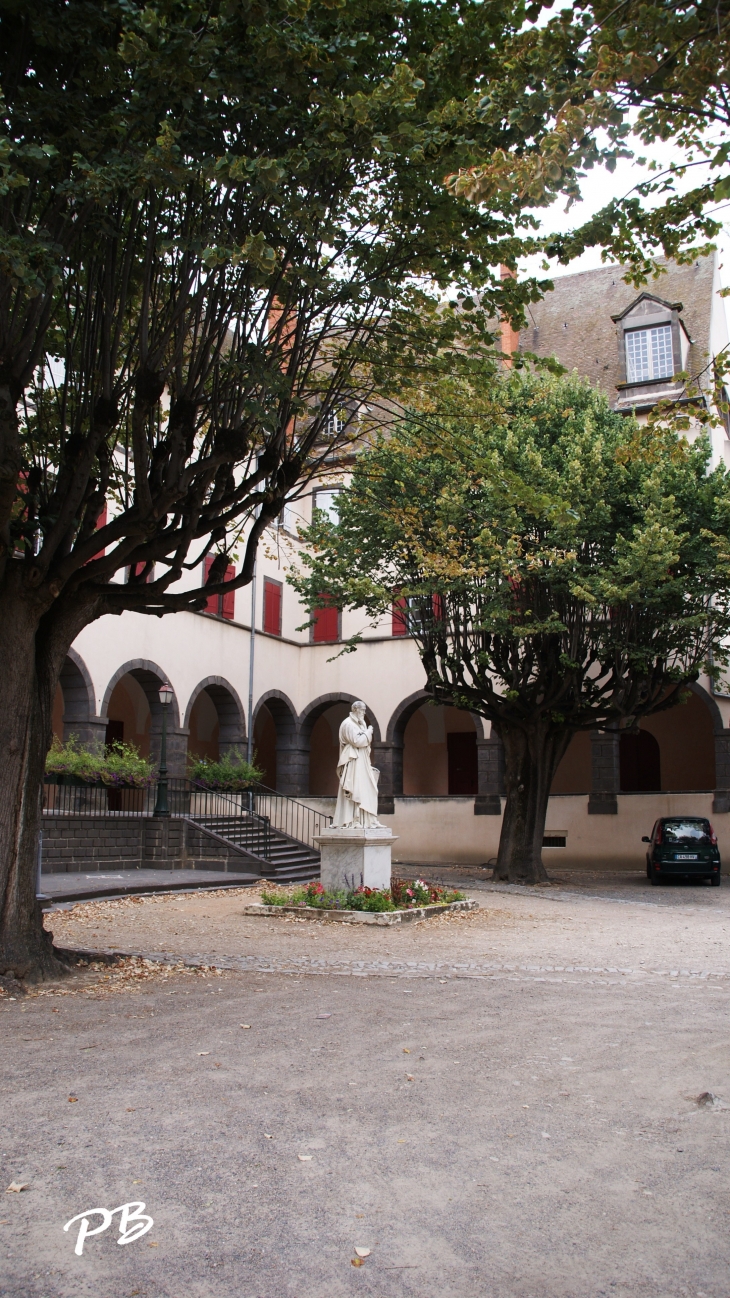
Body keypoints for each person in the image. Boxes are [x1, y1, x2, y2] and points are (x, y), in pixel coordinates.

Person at [333, 701, 382, 828]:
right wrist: (369, 731)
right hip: (353, 762)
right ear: (355, 709)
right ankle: (354, 819)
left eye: (364, 710)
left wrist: (367, 731)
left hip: (362, 761)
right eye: (362, 710)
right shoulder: (348, 724)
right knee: (356, 789)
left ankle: (369, 820)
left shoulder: (361, 723)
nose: (364, 713)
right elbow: (358, 741)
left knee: (370, 788)